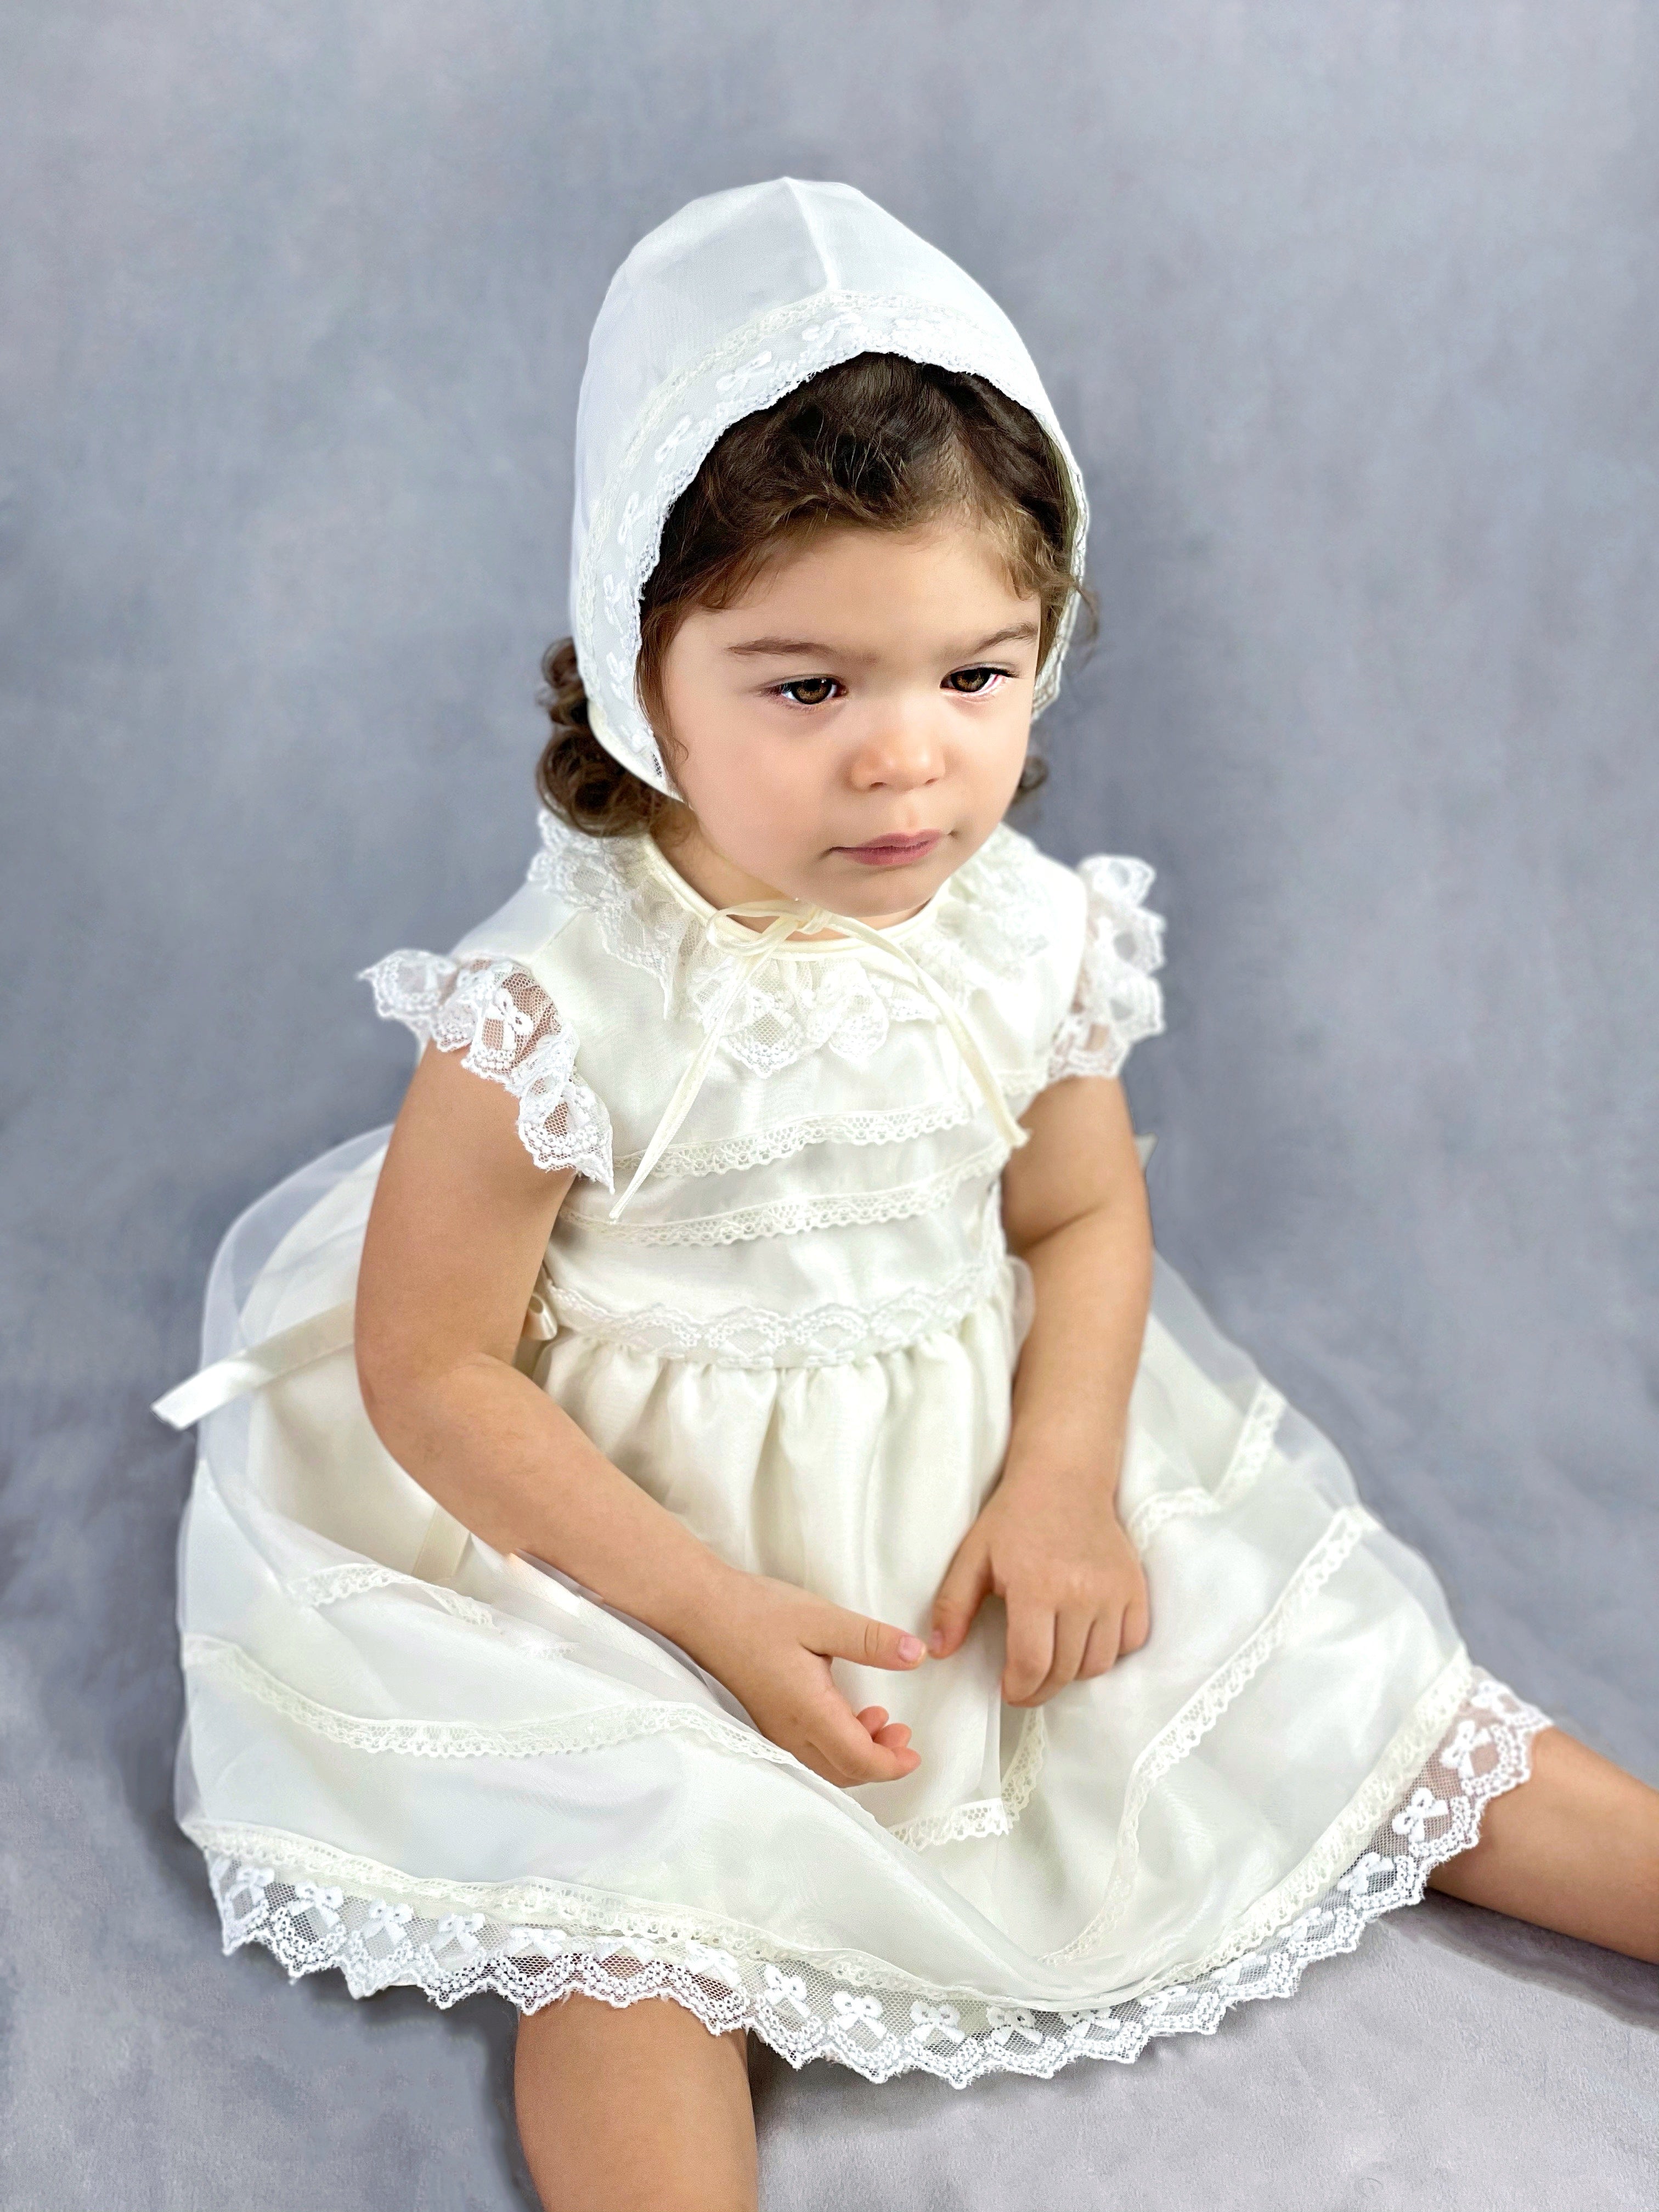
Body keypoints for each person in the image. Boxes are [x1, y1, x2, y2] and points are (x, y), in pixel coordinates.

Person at [155, 180, 1658, 2212]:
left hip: (972, 1486)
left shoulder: (1021, 933)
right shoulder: (554, 1007)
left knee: (1371, 1712)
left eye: (976, 676)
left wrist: (1065, 1479)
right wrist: (707, 1615)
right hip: (624, 1550)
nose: (909, 764)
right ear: (639, 672)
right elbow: (430, 1368)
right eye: (809, 689)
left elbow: (1079, 1221)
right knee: (638, 1927)